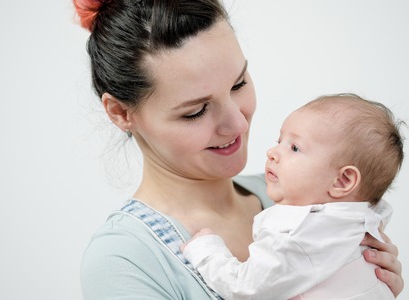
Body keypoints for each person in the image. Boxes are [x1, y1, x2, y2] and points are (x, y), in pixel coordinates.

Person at [72, 0, 404, 299]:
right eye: (196, 111)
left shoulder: (308, 200)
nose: (239, 125)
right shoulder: (124, 259)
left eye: (238, 84)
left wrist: (369, 285)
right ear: (120, 113)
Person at [182, 94, 405, 299]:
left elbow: (246, 288)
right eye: (280, 141)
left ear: (342, 181)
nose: (272, 152)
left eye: (295, 148)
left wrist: (206, 251)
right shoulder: (356, 226)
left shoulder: (302, 234)